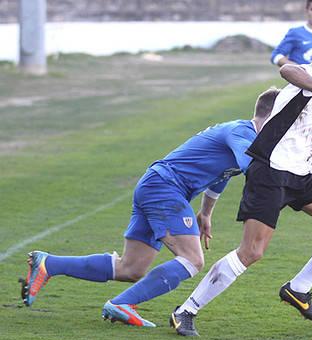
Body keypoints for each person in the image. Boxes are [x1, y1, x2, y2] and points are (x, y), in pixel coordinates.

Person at [20, 87, 280, 327]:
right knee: (192, 260)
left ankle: (49, 264)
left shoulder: (243, 136)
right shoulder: (242, 133)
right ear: (274, 115)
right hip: (165, 188)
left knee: (131, 268)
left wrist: (207, 212)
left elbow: (223, 176)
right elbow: (253, 168)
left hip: (156, 185)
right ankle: (121, 304)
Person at [170, 36, 312, 337]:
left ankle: (298, 289)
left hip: (303, 174)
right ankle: (185, 310)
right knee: (251, 252)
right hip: (271, 170)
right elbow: (288, 70)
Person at [270, 0, 312, 67]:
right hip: (298, 77)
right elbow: (276, 55)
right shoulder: (295, 33)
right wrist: (296, 67)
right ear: (306, 11)